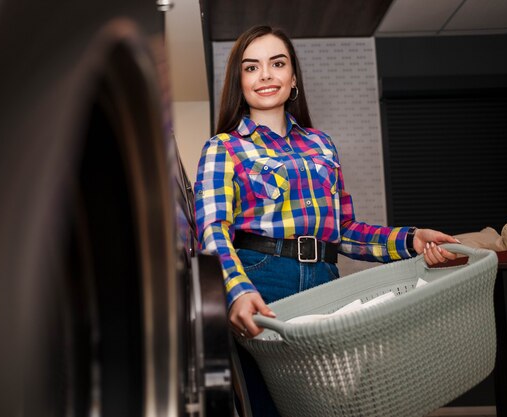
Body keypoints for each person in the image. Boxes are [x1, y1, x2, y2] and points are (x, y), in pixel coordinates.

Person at [193, 25, 459, 416]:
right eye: (252, 68)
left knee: (330, 406)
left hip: (326, 283)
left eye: (277, 63)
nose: (265, 75)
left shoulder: (321, 144)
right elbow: (213, 229)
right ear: (239, 80)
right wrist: (235, 290)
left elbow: (345, 231)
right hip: (263, 285)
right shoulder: (224, 147)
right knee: (270, 407)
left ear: (293, 76)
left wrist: (412, 240)